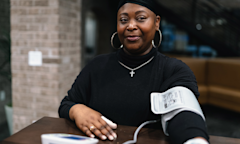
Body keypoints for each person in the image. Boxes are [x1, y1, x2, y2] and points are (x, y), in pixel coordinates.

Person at [58, 0, 209, 143]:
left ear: (156, 22)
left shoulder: (174, 70)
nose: (130, 26)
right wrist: (78, 110)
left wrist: (194, 140)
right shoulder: (97, 65)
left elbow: (184, 115)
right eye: (123, 20)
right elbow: (67, 104)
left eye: (141, 18)